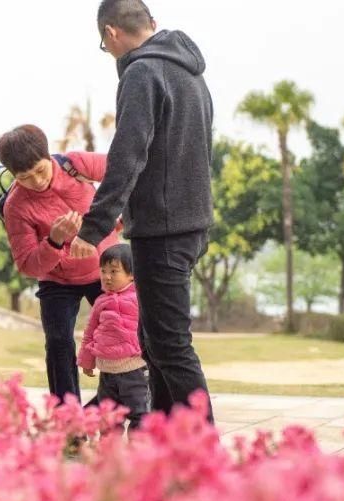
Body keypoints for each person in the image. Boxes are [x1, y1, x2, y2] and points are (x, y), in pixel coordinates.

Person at [70, 0, 216, 422]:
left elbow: (128, 155)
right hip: (188, 221)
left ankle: (203, 455)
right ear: (150, 23)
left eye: (105, 44)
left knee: (169, 345)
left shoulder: (142, 72)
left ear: (111, 33)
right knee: (154, 342)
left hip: (164, 229)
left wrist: (93, 228)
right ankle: (165, 441)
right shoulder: (190, 73)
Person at [0, 124, 121, 403]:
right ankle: (68, 421)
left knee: (123, 337)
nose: (37, 182)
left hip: (106, 270)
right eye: (25, 178)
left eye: (41, 170)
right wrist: (54, 241)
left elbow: (126, 171)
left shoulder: (76, 164)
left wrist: (122, 216)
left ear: (49, 156)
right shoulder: (16, 206)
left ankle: (113, 404)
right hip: (58, 281)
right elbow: (28, 264)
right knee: (58, 343)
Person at [78, 244, 149, 429]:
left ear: (131, 274)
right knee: (108, 418)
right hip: (107, 373)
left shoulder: (141, 298)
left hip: (134, 370)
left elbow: (150, 329)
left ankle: (137, 451)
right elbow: (90, 332)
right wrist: (86, 360)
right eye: (103, 271)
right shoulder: (100, 302)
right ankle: (109, 453)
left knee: (140, 414)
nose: (106, 276)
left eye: (114, 271)